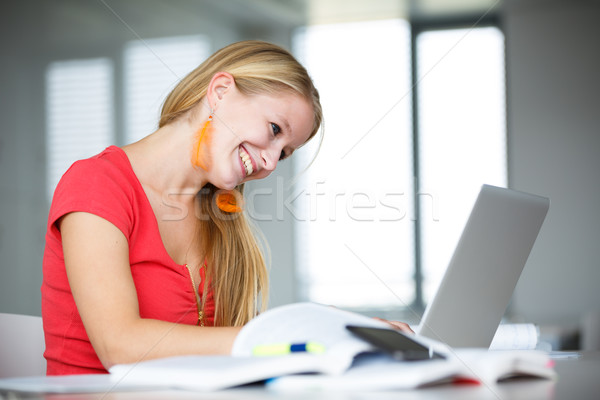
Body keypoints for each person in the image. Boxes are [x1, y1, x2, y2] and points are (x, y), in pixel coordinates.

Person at [41, 40, 411, 376]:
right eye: (274, 129)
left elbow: (223, 346)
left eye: (284, 154)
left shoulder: (219, 220)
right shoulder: (97, 183)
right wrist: (300, 339)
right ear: (219, 92)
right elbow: (119, 346)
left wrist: (339, 332)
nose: (269, 162)